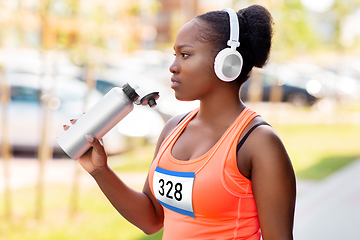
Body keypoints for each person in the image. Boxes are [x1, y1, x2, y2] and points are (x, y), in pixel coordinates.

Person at [64, 4, 296, 240]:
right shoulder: (173, 129)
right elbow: (152, 219)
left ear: (227, 63)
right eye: (174, 55)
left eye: (185, 54)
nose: (173, 66)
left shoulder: (259, 143)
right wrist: (100, 170)